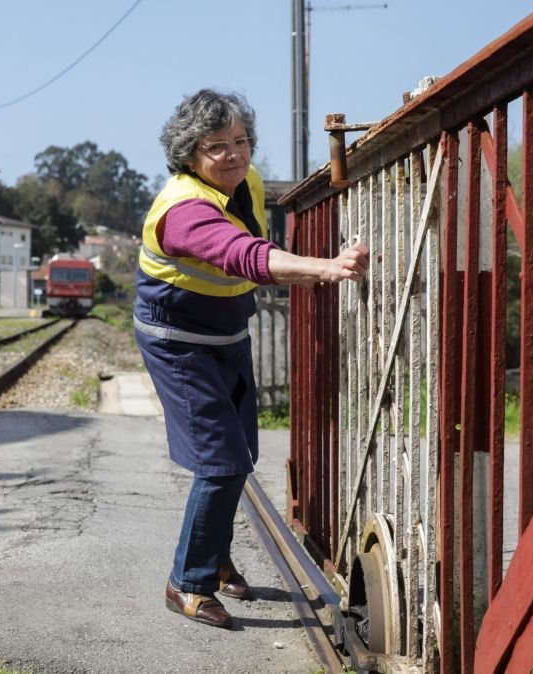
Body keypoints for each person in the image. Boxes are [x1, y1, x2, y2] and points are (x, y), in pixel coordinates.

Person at [135, 88, 369, 629]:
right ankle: (187, 581)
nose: (235, 155)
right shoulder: (183, 211)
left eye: (241, 142)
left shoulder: (247, 183)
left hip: (225, 334)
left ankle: (214, 560)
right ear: (190, 154)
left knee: (241, 452)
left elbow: (257, 241)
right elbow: (244, 254)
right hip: (178, 342)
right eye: (217, 146)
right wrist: (324, 267)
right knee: (221, 460)